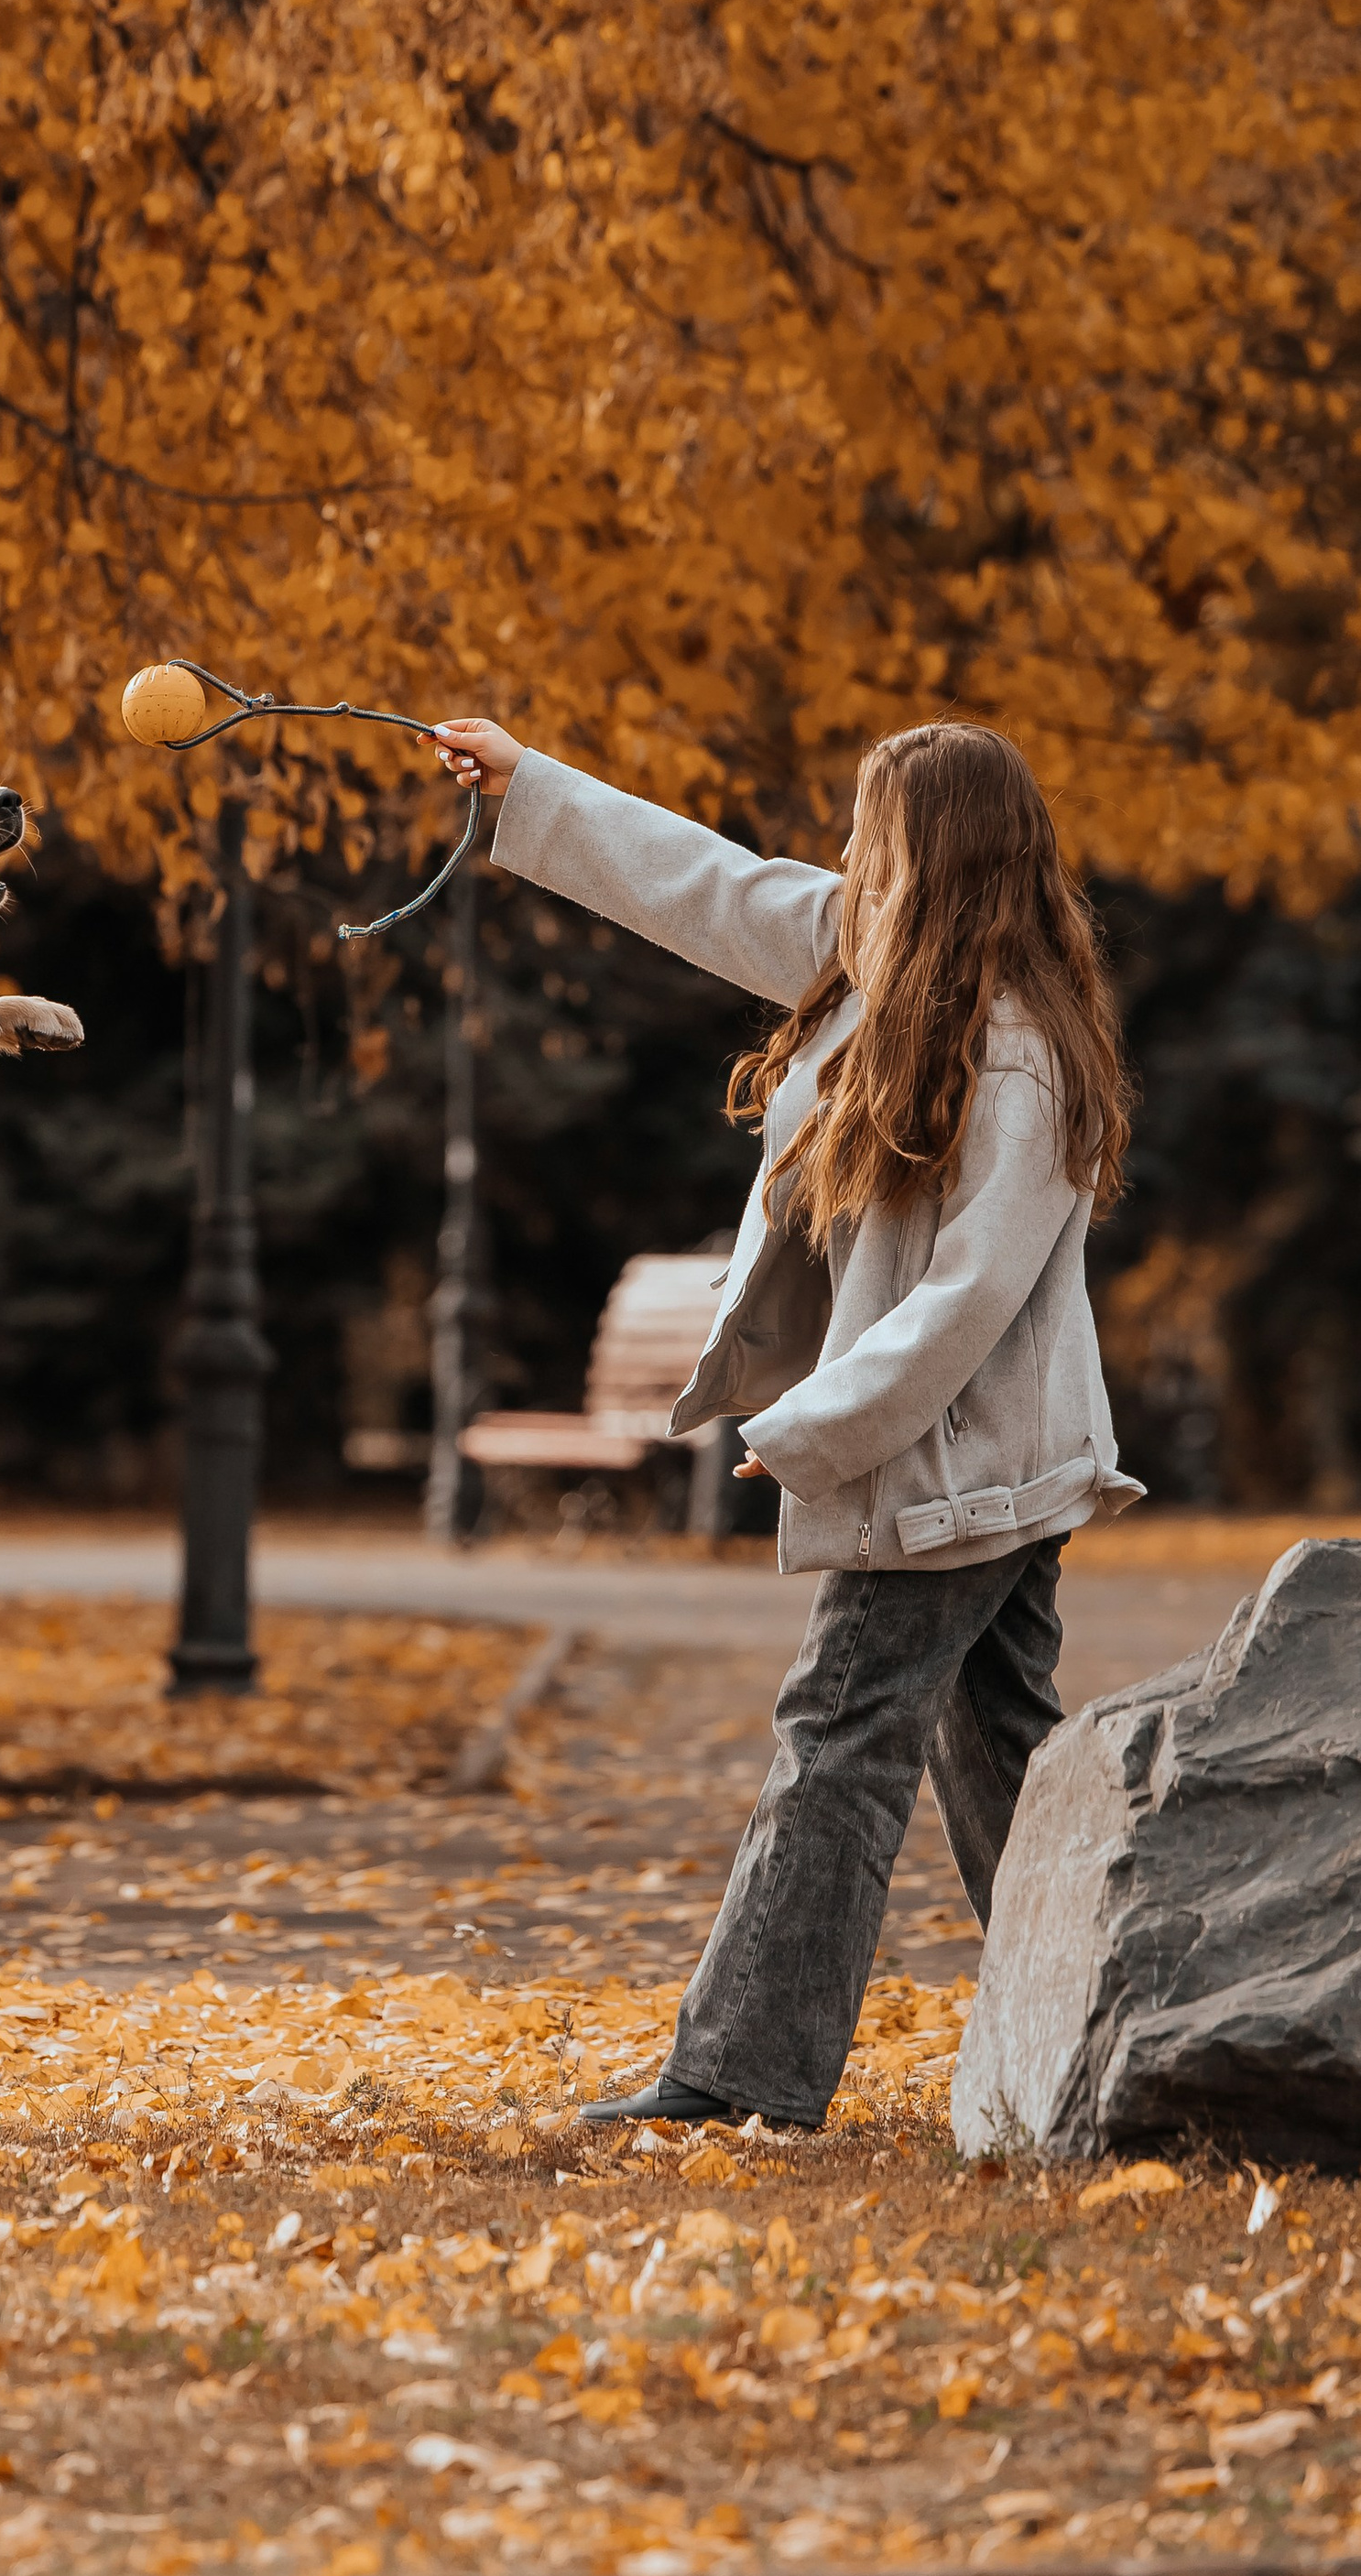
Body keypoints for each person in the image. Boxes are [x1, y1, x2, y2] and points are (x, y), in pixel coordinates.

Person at [429, 713, 1141, 2130]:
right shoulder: (883, 965)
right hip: (966, 1470)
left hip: (955, 1470)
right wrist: (532, 785)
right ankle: (1124, 2032)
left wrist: (819, 1426)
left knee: (836, 1736)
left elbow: (965, 1303)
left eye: (875, 833)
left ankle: (738, 2075)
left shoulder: (1013, 1054)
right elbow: (708, 884)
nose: (850, 857)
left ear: (930, 855)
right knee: (997, 1750)